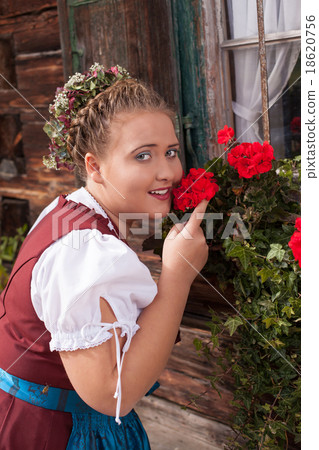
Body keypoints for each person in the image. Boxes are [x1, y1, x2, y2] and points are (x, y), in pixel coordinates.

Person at [0, 64, 209, 449]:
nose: (168, 172)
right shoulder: (89, 255)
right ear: (94, 167)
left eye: (171, 152)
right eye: (143, 156)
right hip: (54, 434)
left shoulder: (67, 209)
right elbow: (113, 395)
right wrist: (177, 277)